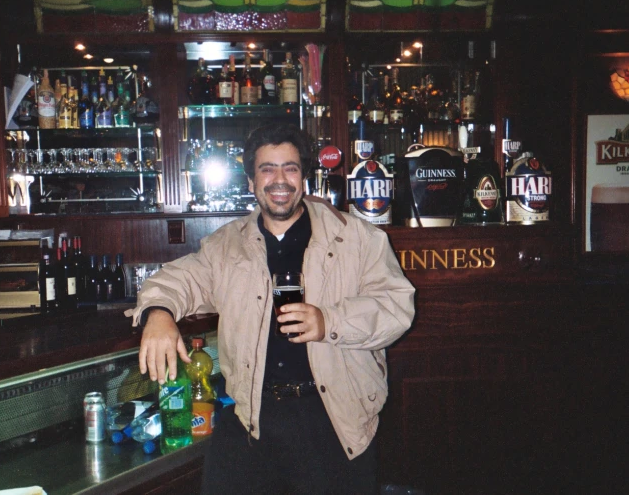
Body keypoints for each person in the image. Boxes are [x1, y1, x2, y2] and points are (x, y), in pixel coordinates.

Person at [126, 123, 415, 494]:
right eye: (267, 169)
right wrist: (159, 314)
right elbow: (175, 281)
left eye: (290, 168)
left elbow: (397, 306)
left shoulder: (359, 238)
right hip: (252, 417)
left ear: (304, 177)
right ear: (251, 181)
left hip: (334, 418)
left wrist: (330, 320)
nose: (280, 180)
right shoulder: (226, 245)